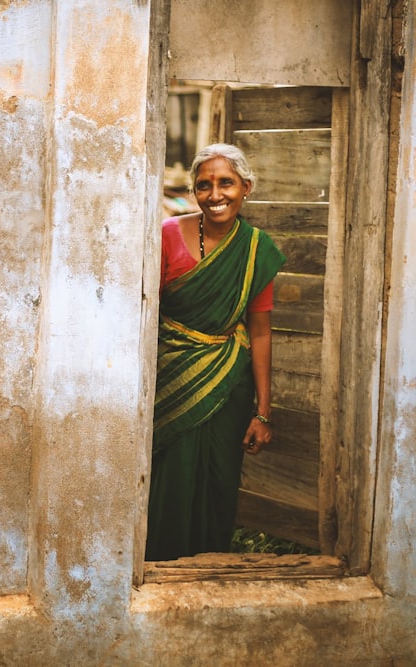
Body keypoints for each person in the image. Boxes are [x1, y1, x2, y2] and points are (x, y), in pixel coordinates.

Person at [146, 143, 286, 561]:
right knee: (168, 476)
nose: (215, 194)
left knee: (218, 479)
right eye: (204, 185)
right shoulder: (168, 234)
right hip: (171, 376)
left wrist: (263, 411)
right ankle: (158, 565)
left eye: (226, 183)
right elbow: (146, 310)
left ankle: (209, 565)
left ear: (246, 188)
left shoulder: (257, 249)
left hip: (228, 384)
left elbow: (260, 331)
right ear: (194, 192)